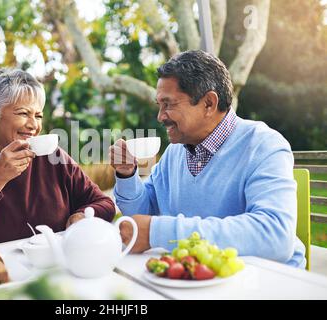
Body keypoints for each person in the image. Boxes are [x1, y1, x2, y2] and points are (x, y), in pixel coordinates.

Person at [110, 50, 305, 268]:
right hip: (197, 276)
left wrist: (159, 232)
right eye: (159, 105)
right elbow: (141, 217)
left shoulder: (263, 145)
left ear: (209, 104)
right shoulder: (175, 152)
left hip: (267, 280)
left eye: (169, 104)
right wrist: (126, 174)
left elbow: (275, 237)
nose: (160, 116)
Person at [0, 69, 115, 259]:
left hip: (55, 273)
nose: (34, 125)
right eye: (23, 113)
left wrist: (81, 217)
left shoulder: (52, 157)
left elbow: (104, 203)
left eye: (38, 115)